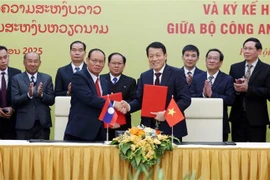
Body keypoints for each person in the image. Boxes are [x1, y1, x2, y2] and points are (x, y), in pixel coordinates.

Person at [125, 42, 191, 140]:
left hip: (171, 126)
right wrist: (129, 106)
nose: (154, 59)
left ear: (165, 56)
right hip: (148, 128)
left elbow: (185, 100)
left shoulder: (177, 73)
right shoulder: (144, 76)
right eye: (151, 56)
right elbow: (140, 100)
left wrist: (166, 113)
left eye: (158, 55)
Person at [64, 48, 123, 141]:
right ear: (87, 60)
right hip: (80, 132)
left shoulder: (104, 81)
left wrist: (112, 120)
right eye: (94, 60)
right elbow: (89, 98)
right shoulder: (79, 77)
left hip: (100, 132)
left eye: (101, 61)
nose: (98, 64)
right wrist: (114, 103)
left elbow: (104, 104)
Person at [229, 37, 270, 142]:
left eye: (250, 49)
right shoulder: (235, 68)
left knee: (257, 154)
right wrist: (237, 89)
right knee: (237, 153)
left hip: (257, 119)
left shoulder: (267, 69)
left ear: (259, 51)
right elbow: (230, 92)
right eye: (245, 48)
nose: (246, 51)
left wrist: (248, 89)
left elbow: (268, 92)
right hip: (238, 118)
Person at [189, 48, 235, 141]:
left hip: (219, 125)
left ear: (221, 62)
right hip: (197, 124)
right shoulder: (196, 78)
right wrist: (203, 95)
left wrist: (212, 95)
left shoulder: (227, 79)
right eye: (209, 58)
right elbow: (189, 97)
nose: (211, 61)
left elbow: (231, 100)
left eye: (215, 58)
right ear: (205, 61)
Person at [11, 52, 55, 140]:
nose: (32, 64)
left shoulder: (47, 78)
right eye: (29, 61)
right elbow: (15, 100)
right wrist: (28, 95)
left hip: (43, 124)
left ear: (39, 63)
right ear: (24, 62)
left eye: (35, 61)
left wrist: (41, 95)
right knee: (23, 152)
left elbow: (51, 100)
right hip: (24, 124)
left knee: (43, 152)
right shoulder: (16, 79)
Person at [101, 52, 137, 140]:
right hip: (104, 123)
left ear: (124, 65)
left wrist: (124, 105)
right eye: (113, 63)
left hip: (123, 123)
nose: (116, 66)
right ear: (108, 64)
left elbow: (134, 100)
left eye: (119, 63)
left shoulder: (130, 81)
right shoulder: (100, 79)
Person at [0, 45, 21, 139]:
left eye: (5, 57)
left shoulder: (17, 73)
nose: (3, 61)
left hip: (13, 121)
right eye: (0, 58)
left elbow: (21, 95)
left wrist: (12, 108)